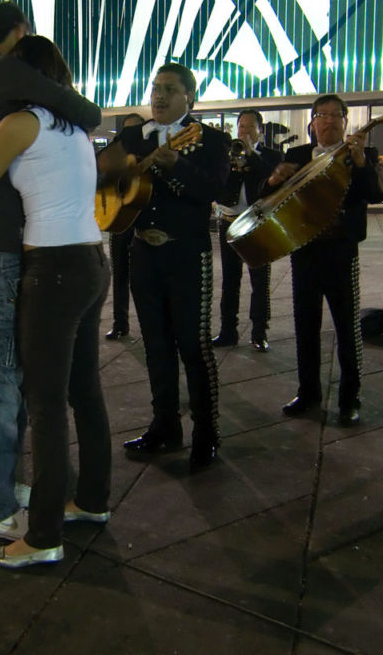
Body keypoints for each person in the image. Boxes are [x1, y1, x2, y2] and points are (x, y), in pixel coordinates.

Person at [0, 35, 110, 569]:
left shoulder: (21, 124)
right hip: (92, 260)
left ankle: (42, 535)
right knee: (84, 392)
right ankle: (91, 499)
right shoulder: (76, 131)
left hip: (53, 270)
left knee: (45, 404)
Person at [118, 63, 230, 470]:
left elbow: (217, 189)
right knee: (156, 346)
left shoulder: (212, 139)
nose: (159, 96)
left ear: (190, 98)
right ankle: (165, 425)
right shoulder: (132, 136)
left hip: (187, 255)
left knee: (193, 346)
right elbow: (104, 175)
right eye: (155, 88)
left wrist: (176, 165)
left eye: (169, 89)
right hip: (143, 254)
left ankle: (207, 433)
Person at [267, 95, 383, 425]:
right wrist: (274, 180)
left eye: (336, 115)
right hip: (304, 251)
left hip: (341, 252)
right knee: (305, 326)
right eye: (323, 115)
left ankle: (350, 398)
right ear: (312, 122)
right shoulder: (297, 155)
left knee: (347, 328)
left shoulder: (360, 155)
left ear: (346, 122)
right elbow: (268, 195)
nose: (329, 121)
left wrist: (361, 161)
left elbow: (374, 194)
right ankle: (308, 393)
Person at [213, 109, 280, 352]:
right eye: (241, 127)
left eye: (250, 127)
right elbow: (218, 185)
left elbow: (271, 180)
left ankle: (259, 332)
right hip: (229, 222)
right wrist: (232, 166)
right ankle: (227, 331)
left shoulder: (272, 155)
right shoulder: (228, 154)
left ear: (260, 130)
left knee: (259, 282)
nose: (245, 132)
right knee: (230, 281)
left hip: (256, 225)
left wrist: (251, 156)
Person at [104, 113, 145, 340]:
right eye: (127, 131)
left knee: (142, 279)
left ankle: (149, 324)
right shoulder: (114, 158)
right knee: (119, 275)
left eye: (136, 130)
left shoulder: (150, 154)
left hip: (142, 224)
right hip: (119, 223)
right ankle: (120, 323)